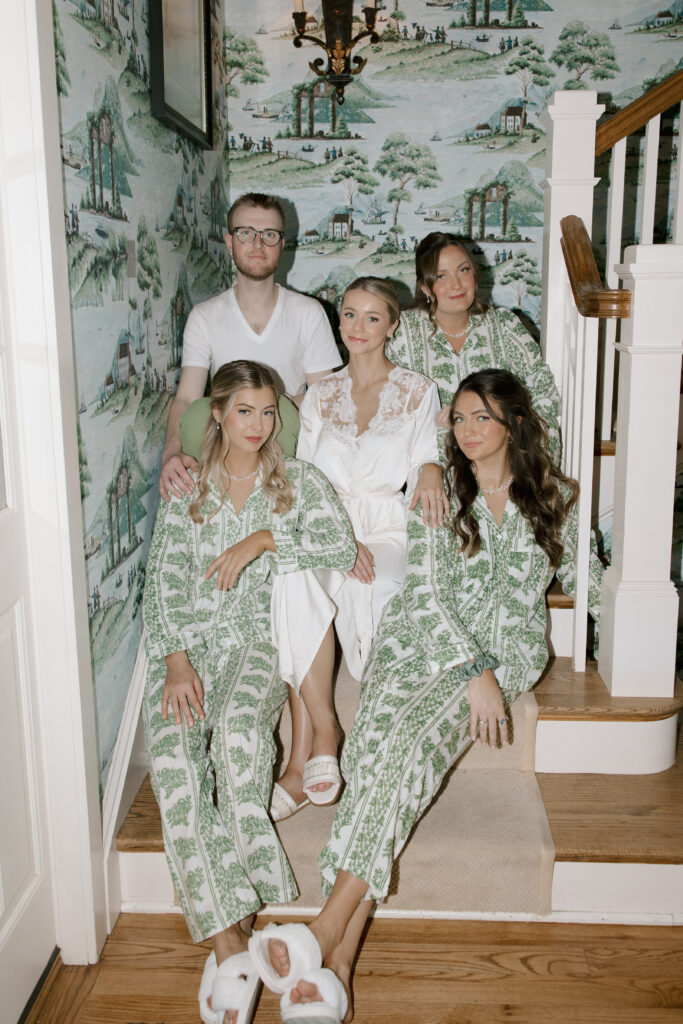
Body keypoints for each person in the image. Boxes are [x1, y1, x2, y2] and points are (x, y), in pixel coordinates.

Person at [247, 369, 604, 1023]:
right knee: (378, 753)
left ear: (512, 425)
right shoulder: (437, 491)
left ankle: (325, 933)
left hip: (505, 654)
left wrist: (500, 668)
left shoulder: (555, 496)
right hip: (420, 640)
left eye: (481, 418)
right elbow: (430, 594)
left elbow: (591, 576)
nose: (467, 431)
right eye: (459, 418)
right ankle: (336, 964)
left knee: (407, 746)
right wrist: (472, 670)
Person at [142, 361, 356, 1024]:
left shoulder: (296, 481)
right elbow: (162, 579)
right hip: (185, 649)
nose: (259, 425)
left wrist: (264, 538)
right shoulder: (188, 486)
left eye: (268, 412)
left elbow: (338, 543)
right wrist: (177, 662)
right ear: (217, 414)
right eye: (244, 411)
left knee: (238, 746)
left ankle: (232, 935)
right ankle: (229, 937)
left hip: (255, 646)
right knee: (174, 763)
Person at [269, 278, 440, 820]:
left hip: (387, 525)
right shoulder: (320, 395)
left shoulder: (417, 390)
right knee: (294, 577)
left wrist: (431, 468)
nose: (358, 327)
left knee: (378, 582)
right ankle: (321, 733)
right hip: (328, 522)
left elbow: (427, 453)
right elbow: (305, 477)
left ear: (392, 325)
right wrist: (337, 541)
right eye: (349, 314)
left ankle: (373, 737)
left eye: (372, 317)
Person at [159, 192, 342, 500]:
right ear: (230, 242)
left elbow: (325, 399)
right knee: (201, 413)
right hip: (225, 452)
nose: (258, 244)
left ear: (281, 244)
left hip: (289, 446)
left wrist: (266, 408)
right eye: (246, 233)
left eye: (269, 234)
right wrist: (171, 453)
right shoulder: (204, 317)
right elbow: (187, 399)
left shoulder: (309, 313)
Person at [386, 231, 561, 462]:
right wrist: (428, 464)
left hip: (505, 463)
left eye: (463, 270)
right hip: (432, 466)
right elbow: (391, 414)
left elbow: (544, 396)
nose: (456, 284)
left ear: (475, 275)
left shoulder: (504, 326)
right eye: (441, 276)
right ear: (425, 288)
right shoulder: (404, 333)